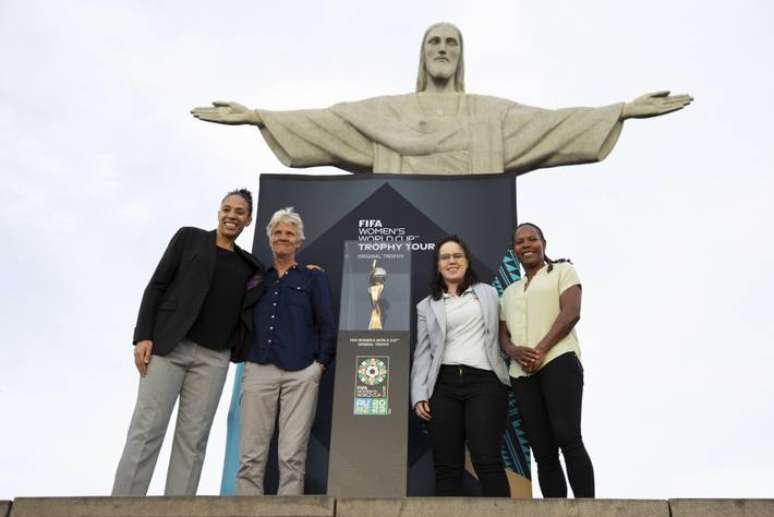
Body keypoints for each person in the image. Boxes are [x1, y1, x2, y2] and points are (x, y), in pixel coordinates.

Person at [191, 22, 692, 175]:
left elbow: (549, 126)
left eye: (452, 43)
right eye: (435, 42)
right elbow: (333, 124)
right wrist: (259, 117)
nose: (443, 50)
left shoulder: (488, 112)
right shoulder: (390, 111)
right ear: (422, 54)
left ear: (462, 56)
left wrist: (621, 110)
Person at [112, 189, 264, 496]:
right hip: (169, 349)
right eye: (227, 209)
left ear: (248, 220)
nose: (231, 216)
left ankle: (177, 509)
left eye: (239, 212)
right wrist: (143, 335)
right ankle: (122, 505)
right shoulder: (189, 239)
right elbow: (157, 285)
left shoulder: (251, 267)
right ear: (219, 212)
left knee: (193, 440)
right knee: (146, 429)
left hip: (213, 359)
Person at [235, 207, 336, 495]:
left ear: (298, 241)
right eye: (277, 232)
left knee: (292, 455)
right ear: (269, 239)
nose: (283, 237)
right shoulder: (256, 277)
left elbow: (326, 323)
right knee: (250, 456)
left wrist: (319, 366)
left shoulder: (313, 277)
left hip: (302, 371)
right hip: (258, 368)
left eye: (289, 233)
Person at [411, 235, 511, 496]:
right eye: (445, 257)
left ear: (467, 261)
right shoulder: (426, 306)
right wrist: (419, 394)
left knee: (487, 459)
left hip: (486, 382)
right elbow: (422, 354)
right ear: (437, 265)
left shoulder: (488, 293)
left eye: (457, 256)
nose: (451, 261)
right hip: (443, 386)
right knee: (446, 466)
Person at [498, 222, 593, 498]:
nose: (526, 245)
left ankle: (588, 508)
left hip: (559, 362)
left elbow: (572, 311)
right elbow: (503, 337)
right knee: (543, 451)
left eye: (532, 239)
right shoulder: (510, 291)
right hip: (522, 374)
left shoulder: (563, 271)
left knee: (569, 438)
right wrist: (514, 352)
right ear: (514, 250)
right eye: (520, 242)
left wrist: (539, 350)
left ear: (543, 244)